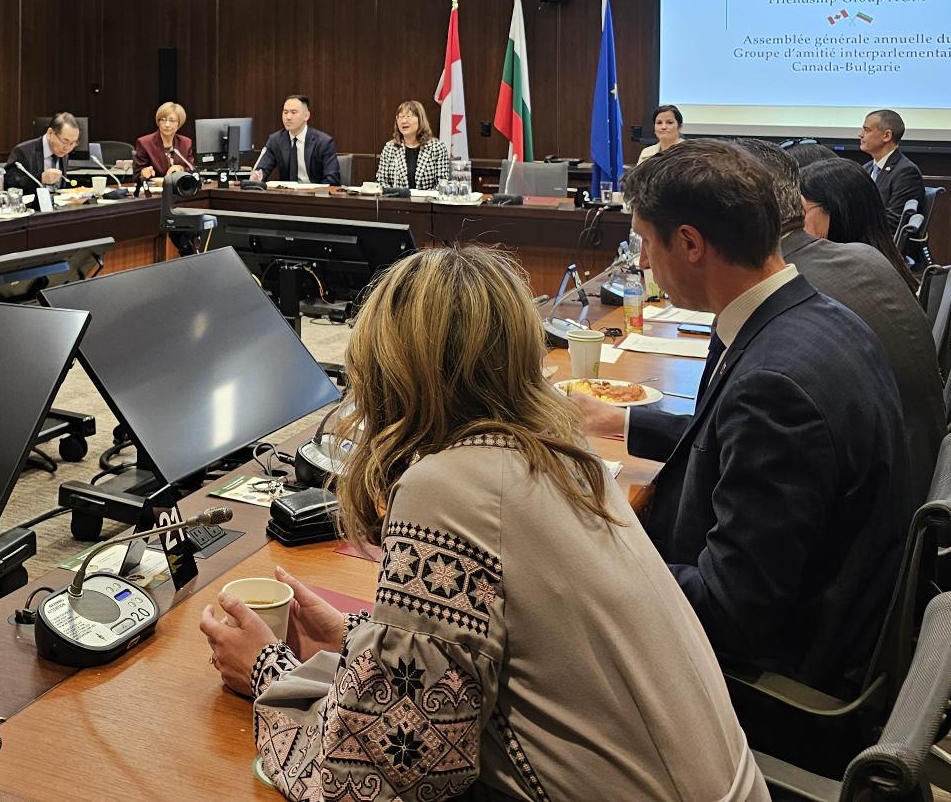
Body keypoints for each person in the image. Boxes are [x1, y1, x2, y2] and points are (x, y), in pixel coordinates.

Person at [199, 246, 767, 802]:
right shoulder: (567, 456)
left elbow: (381, 775)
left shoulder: (445, 488)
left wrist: (267, 671)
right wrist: (356, 641)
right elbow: (499, 650)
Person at [570, 141, 915, 703]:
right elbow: (725, 440)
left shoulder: (775, 389)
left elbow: (731, 612)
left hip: (776, 680)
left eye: (646, 243)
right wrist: (621, 421)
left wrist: (590, 554)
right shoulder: (818, 316)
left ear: (690, 243)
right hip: (824, 614)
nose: (644, 264)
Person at [796, 151, 918, 289]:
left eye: (803, 211)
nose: (799, 222)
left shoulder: (847, 278)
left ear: (837, 212)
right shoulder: (879, 264)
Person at [250, 95, 340, 186]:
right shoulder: (276, 140)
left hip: (314, 193)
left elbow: (332, 179)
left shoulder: (324, 142)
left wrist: (316, 191)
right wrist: (259, 176)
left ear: (306, 116)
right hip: (287, 193)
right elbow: (262, 170)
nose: (288, 117)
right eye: (285, 112)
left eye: (293, 112)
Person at [859, 109, 926, 231]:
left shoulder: (906, 172)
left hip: (882, 240)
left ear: (887, 136)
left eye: (867, 130)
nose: (861, 134)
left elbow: (895, 221)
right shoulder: (866, 169)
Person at [372, 98, 451, 190]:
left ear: (420, 119)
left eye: (409, 116)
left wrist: (424, 197)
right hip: (397, 199)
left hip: (428, 199)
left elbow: (442, 183)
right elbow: (381, 182)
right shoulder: (390, 148)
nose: (404, 121)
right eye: (400, 117)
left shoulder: (436, 147)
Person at [5, 112, 91, 195]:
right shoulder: (23, 151)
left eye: (72, 143)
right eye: (65, 141)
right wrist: (41, 178)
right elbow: (9, 182)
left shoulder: (62, 152)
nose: (68, 148)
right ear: (50, 133)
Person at [133, 102, 194, 182]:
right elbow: (137, 175)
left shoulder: (185, 143)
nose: (167, 124)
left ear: (179, 123)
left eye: (172, 120)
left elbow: (192, 169)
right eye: (163, 120)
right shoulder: (145, 143)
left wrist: (181, 169)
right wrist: (144, 172)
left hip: (179, 187)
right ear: (158, 122)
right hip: (155, 187)